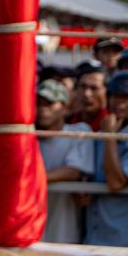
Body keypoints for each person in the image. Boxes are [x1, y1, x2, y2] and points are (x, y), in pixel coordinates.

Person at [84, 71, 128, 248]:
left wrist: (109, 136)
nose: (118, 102)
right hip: (95, 236)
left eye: (127, 97)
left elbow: (116, 182)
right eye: (115, 95)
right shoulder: (102, 133)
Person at [35, 80, 94, 244]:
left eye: (50, 103)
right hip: (32, 232)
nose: (42, 109)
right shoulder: (27, 138)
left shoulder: (79, 131)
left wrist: (31, 179)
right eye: (38, 104)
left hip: (64, 233)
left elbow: (73, 170)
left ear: (66, 108)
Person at [70, 60, 108, 131]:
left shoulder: (115, 126)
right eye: (82, 87)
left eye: (94, 88)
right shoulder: (68, 122)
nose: (87, 94)